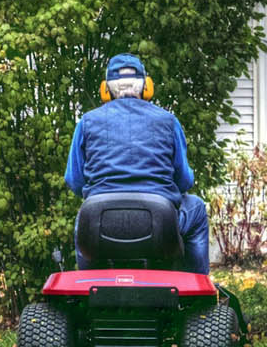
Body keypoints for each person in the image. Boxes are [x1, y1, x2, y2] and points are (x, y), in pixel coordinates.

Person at [63, 53, 210, 273]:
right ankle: (200, 288)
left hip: (100, 223)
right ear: (146, 87)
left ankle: (88, 288)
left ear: (106, 89)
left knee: (82, 218)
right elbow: (184, 180)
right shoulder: (168, 121)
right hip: (161, 223)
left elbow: (74, 180)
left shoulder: (87, 122)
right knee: (196, 207)